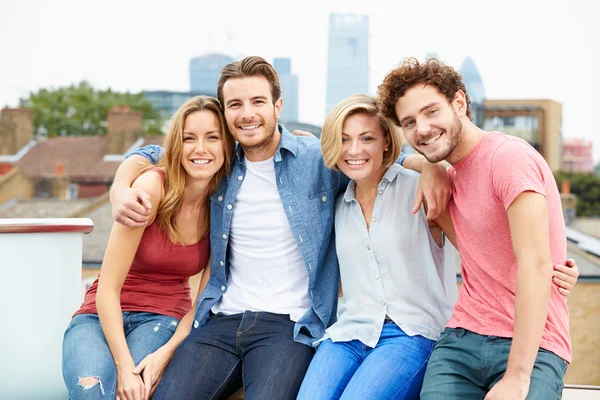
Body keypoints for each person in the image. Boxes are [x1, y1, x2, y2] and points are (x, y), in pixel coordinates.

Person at [109, 56, 453, 399]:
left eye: (258, 101)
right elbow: (159, 152)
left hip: (289, 326)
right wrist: (120, 187)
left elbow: (375, 156)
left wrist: (430, 165)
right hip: (221, 319)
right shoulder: (217, 161)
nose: (247, 113)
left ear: (278, 106)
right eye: (235, 104)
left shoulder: (317, 159)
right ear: (225, 113)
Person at [295, 95, 578, 400]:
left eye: (367, 138)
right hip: (350, 332)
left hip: (410, 333)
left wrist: (554, 265)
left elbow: (484, 244)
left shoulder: (421, 189)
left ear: (387, 142)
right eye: (344, 139)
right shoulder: (337, 204)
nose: (354, 150)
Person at [378, 57, 573, 399]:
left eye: (431, 112)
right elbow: (382, 157)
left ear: (459, 103)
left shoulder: (508, 159)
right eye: (409, 122)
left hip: (533, 345)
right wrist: (427, 165)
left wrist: (516, 376)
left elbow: (537, 264)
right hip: (461, 341)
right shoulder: (446, 175)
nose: (421, 129)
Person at [62, 95, 235, 400]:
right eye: (189, 138)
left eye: (212, 137)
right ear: (176, 146)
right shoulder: (151, 188)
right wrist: (124, 366)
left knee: (135, 394)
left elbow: (202, 302)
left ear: (227, 146)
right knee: (91, 391)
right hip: (99, 316)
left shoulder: (223, 207)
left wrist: (167, 353)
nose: (200, 149)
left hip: (163, 318)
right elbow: (108, 289)